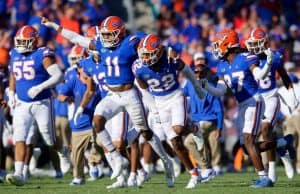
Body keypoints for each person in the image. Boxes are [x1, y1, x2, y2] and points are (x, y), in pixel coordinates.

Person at [42, 16, 174, 187]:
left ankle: (166, 161)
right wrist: (54, 25)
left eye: (110, 35)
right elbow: (75, 38)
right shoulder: (100, 45)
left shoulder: (130, 43)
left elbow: (153, 44)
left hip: (129, 95)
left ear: (119, 33)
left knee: (145, 132)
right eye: (104, 35)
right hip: (112, 96)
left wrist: (169, 52)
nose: (105, 38)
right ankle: (117, 159)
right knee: (97, 122)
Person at [200, 28, 293, 188]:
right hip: (241, 105)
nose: (216, 48)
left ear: (228, 44)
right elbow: (221, 91)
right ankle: (282, 143)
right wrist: (205, 85)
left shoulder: (245, 57)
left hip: (253, 101)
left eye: (218, 44)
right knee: (246, 148)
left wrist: (269, 63)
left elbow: (258, 75)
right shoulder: (221, 65)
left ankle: (264, 178)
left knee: (249, 140)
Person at [133, 34, 205, 189]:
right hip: (159, 102)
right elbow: (144, 91)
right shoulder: (139, 68)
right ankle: (193, 174)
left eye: (148, 54)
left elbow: (186, 70)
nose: (145, 58)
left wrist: (197, 87)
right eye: (143, 54)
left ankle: (194, 128)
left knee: (178, 129)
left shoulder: (170, 60)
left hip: (175, 97)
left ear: (158, 52)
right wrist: (154, 110)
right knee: (175, 143)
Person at [6, 25, 63, 186]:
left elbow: (58, 76)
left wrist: (39, 87)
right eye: (20, 41)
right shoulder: (14, 53)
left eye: (25, 41)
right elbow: (13, 75)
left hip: (42, 101)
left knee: (49, 137)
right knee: (20, 137)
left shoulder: (42, 54)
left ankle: (63, 152)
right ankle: (19, 173)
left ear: (33, 41)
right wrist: (11, 93)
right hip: (22, 103)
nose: (21, 44)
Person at [245, 27, 298, 182]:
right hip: (255, 100)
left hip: (271, 98)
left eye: (257, 43)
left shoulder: (274, 57)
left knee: (266, 130)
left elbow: (286, 78)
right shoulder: (248, 58)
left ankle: (271, 170)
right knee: (250, 141)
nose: (253, 47)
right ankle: (283, 146)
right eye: (252, 44)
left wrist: (292, 95)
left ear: (265, 43)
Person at [57, 46, 102, 185]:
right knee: (76, 153)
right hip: (80, 122)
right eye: (82, 68)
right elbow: (60, 94)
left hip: (97, 121)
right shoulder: (73, 79)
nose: (84, 70)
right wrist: (66, 98)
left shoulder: (98, 80)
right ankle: (78, 177)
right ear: (79, 70)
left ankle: (100, 165)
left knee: (104, 146)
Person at [182, 52, 223, 179]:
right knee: (210, 141)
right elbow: (180, 95)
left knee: (189, 141)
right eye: (195, 72)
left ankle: (205, 167)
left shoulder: (209, 86)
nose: (198, 74)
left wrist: (220, 128)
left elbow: (219, 109)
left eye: (200, 72)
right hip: (201, 122)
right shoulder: (189, 84)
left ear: (205, 74)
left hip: (206, 121)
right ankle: (212, 167)